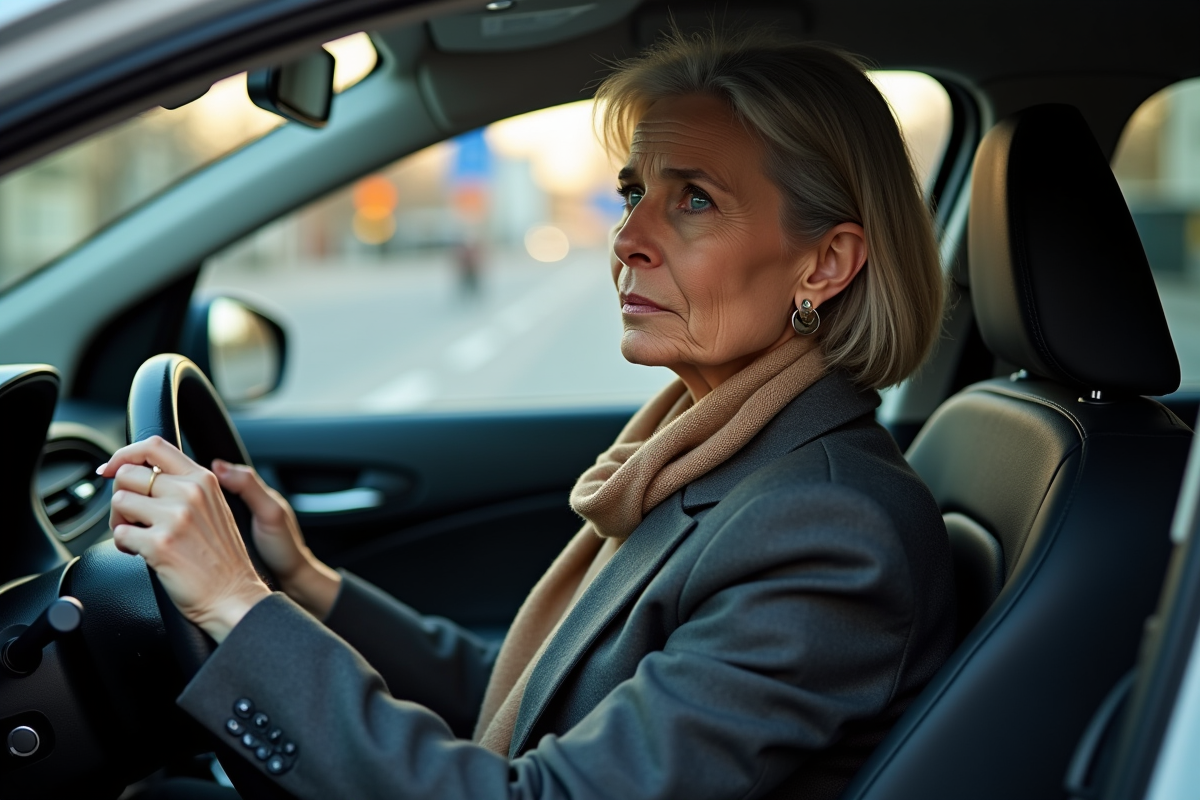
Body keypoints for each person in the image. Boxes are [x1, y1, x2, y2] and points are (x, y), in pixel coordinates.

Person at [100, 28, 955, 800]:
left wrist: (234, 604)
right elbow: (529, 694)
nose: (628, 239)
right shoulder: (714, 457)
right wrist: (303, 583)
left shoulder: (827, 529)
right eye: (633, 194)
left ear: (825, 265)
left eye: (693, 199)